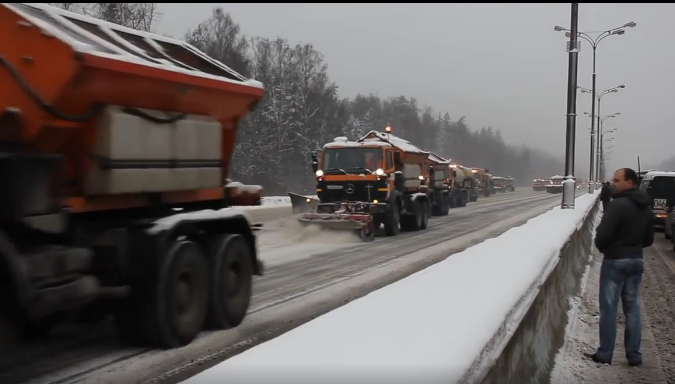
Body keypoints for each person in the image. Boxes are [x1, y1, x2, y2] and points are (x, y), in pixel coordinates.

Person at [585, 168, 654, 366]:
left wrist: (606, 248)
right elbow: (649, 239)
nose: (613, 183)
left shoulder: (618, 205)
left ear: (630, 182)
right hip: (636, 260)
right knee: (632, 310)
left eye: (617, 180)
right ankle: (634, 355)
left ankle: (605, 354)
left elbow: (603, 234)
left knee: (609, 309)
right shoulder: (645, 207)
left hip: (615, 261)